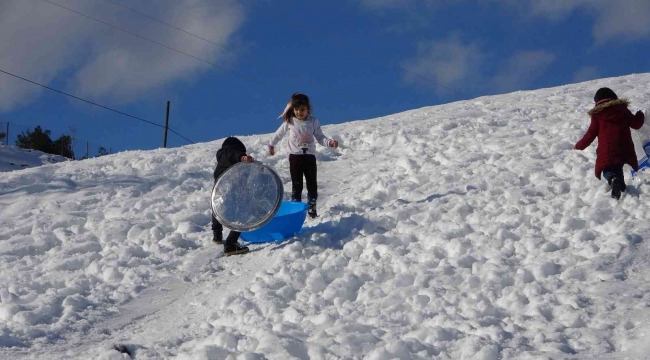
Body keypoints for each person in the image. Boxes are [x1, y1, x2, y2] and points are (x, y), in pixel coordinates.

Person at [268, 93, 339, 218]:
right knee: (297, 184)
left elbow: (320, 137)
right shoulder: (289, 121)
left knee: (312, 183)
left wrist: (330, 143)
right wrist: (271, 145)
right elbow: (278, 135)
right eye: (296, 109)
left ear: (308, 109)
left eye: (302, 109)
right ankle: (296, 210)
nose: (299, 112)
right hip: (295, 157)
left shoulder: (313, 121)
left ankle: (312, 209)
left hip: (309, 157)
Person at [574, 87, 645, 199]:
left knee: (607, 170)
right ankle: (621, 188)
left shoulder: (598, 115)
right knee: (618, 168)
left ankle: (612, 179)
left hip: (606, 150)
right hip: (623, 148)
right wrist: (640, 115)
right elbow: (636, 124)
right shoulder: (623, 110)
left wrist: (579, 146)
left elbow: (590, 133)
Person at [212, 137, 254, 255]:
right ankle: (231, 243)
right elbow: (235, 154)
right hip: (231, 186)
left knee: (217, 209)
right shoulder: (230, 151)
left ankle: (217, 235)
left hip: (219, 187)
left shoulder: (222, 157)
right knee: (243, 212)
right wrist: (243, 157)